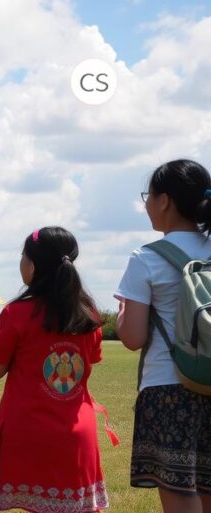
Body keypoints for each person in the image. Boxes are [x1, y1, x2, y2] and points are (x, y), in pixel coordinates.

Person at [0, 227, 108, 512]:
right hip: (76, 433)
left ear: (32, 265)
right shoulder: (89, 314)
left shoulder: (16, 313)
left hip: (24, 430)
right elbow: (90, 361)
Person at [115, 159, 211, 511]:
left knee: (181, 496)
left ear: (165, 200)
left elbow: (133, 338)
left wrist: (124, 311)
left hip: (169, 388)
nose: (147, 205)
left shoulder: (147, 258)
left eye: (148, 196)